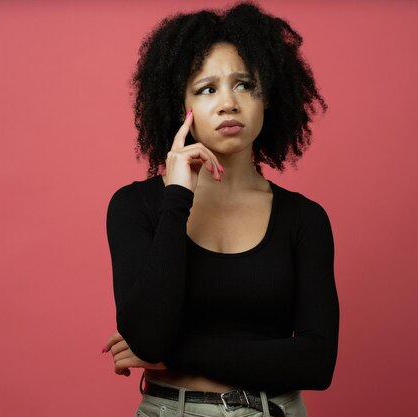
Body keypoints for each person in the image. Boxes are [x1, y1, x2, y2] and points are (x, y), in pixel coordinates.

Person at [103, 2, 339, 416]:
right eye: (207, 88)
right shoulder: (136, 206)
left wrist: (173, 353)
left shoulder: (304, 219)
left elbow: (317, 363)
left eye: (245, 84)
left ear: (268, 98)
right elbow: (148, 335)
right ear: (182, 108)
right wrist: (177, 196)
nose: (229, 102)